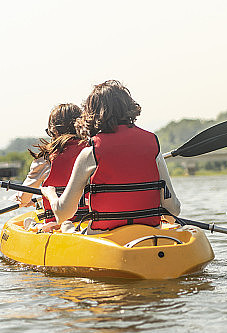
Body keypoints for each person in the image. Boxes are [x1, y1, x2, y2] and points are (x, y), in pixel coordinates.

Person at [42, 80, 181, 233]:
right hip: (149, 232)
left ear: (91, 113)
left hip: (104, 235)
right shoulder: (153, 143)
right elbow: (173, 211)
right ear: (129, 107)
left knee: (67, 225)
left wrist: (51, 193)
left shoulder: (91, 151)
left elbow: (63, 214)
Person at [13, 103, 88, 231]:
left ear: (54, 131)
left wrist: (25, 200)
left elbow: (24, 198)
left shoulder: (45, 158)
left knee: (29, 222)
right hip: (88, 221)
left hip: (56, 223)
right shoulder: (92, 151)